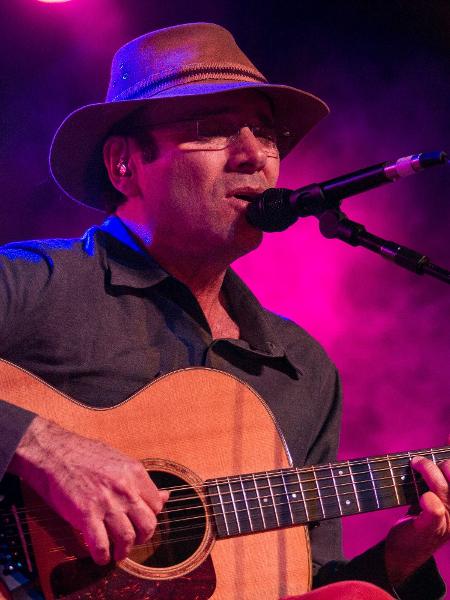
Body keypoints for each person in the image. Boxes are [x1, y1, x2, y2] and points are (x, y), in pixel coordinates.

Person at [0, 22, 448, 599]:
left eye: (266, 134)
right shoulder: (36, 283)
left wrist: (401, 558)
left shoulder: (301, 368)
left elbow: (304, 583)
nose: (253, 156)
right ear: (124, 163)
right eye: (212, 131)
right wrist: (40, 446)